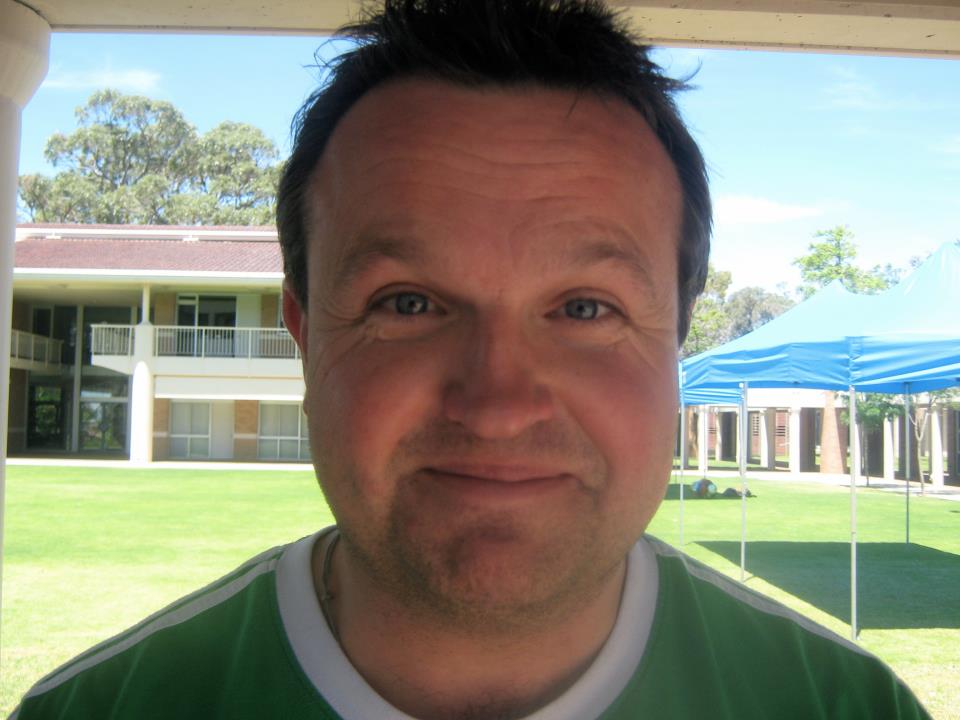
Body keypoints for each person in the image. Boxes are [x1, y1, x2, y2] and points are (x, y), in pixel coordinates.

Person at [13, 1, 930, 718]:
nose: (496, 403)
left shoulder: (847, 708)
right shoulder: (98, 711)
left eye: (584, 307)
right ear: (304, 334)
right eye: (406, 303)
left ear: (678, 337)